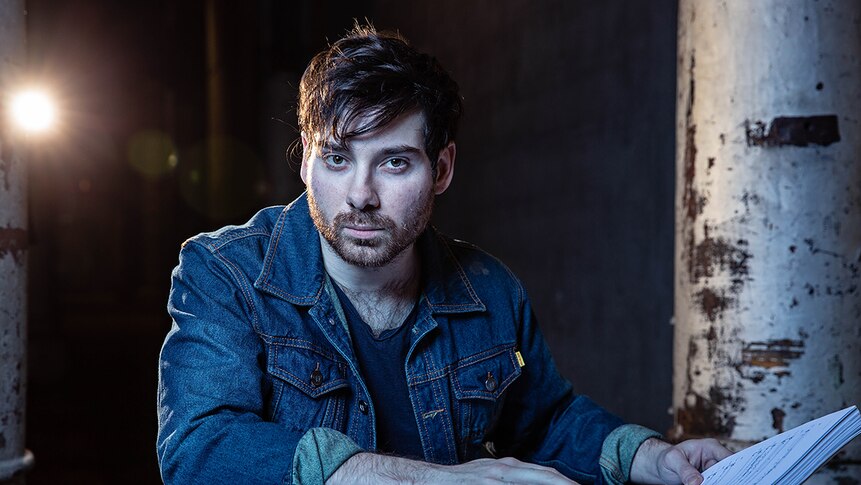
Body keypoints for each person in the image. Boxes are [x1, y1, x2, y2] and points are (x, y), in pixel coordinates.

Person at [156, 23, 731, 485]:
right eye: (336, 158)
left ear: (443, 169)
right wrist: (430, 478)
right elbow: (201, 450)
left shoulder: (489, 291)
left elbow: (546, 421)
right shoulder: (224, 274)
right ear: (305, 159)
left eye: (395, 161)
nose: (360, 194)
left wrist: (649, 455)